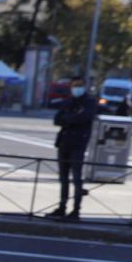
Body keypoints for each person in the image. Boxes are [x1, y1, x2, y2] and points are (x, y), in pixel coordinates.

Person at [48, 77, 98, 221]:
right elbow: (57, 119)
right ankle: (62, 207)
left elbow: (84, 117)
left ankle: (76, 210)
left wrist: (69, 118)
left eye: (79, 85)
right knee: (63, 178)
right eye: (74, 85)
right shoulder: (69, 101)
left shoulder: (89, 102)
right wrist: (71, 118)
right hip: (64, 142)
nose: (76, 88)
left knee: (77, 178)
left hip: (78, 143)